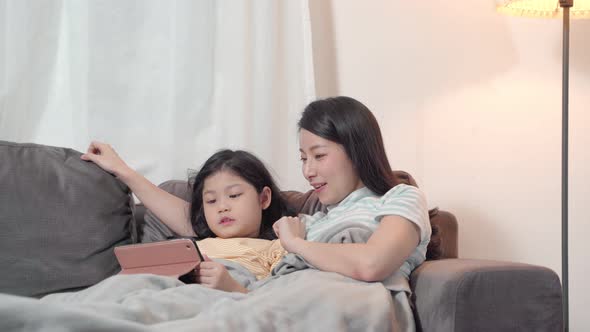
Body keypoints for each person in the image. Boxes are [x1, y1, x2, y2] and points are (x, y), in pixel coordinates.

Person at [81, 146, 294, 293]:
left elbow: (278, 301)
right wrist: (119, 168)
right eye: (211, 201)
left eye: (234, 195)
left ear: (264, 198)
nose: (222, 207)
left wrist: (234, 288)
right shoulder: (195, 244)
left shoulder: (277, 247)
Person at [273, 96, 431, 283]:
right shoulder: (311, 223)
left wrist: (295, 244)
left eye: (319, 155)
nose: (307, 171)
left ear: (357, 152)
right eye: (304, 159)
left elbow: (371, 264)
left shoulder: (402, 198)